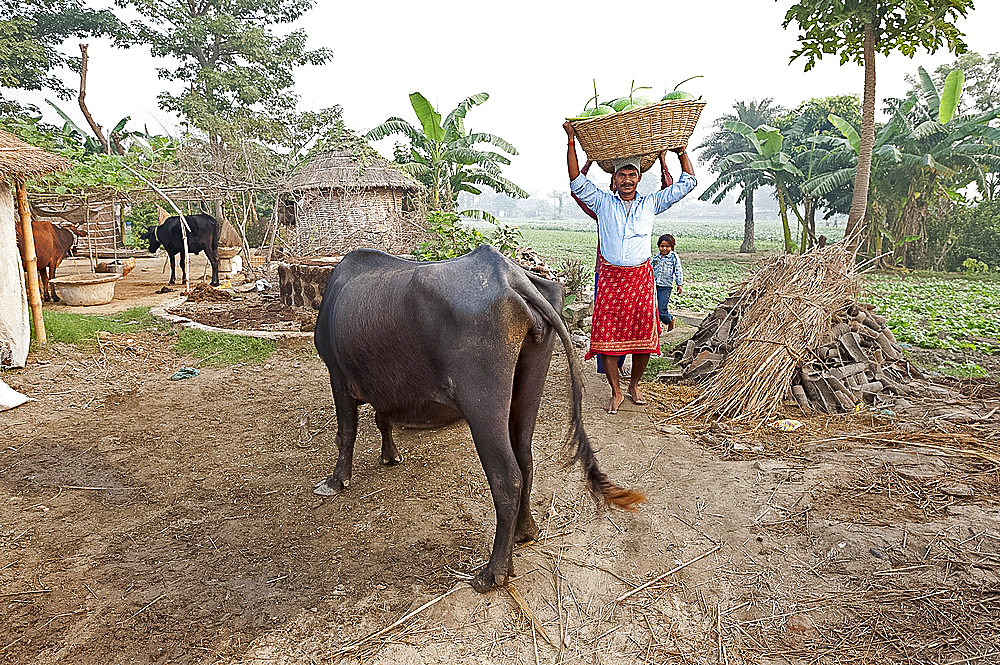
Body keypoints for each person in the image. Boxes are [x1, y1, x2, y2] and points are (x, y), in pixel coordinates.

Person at [563, 121, 696, 414]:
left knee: (643, 339)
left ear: (638, 179)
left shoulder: (650, 204)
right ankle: (616, 390)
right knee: (607, 337)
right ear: (614, 178)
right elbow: (575, 181)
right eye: (621, 174)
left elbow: (688, 183)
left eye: (631, 174)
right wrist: (571, 141)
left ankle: (634, 384)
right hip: (610, 277)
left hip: (640, 278)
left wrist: (681, 151)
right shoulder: (602, 203)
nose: (626, 179)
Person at [651, 233, 683, 331]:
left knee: (661, 310)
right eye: (662, 246)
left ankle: (670, 319)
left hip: (666, 287)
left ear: (672, 247)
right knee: (653, 308)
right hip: (654, 286)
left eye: (667, 246)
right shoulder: (656, 257)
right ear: (659, 246)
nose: (664, 248)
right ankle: (656, 327)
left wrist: (679, 284)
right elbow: (649, 269)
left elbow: (678, 270)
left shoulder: (673, 257)